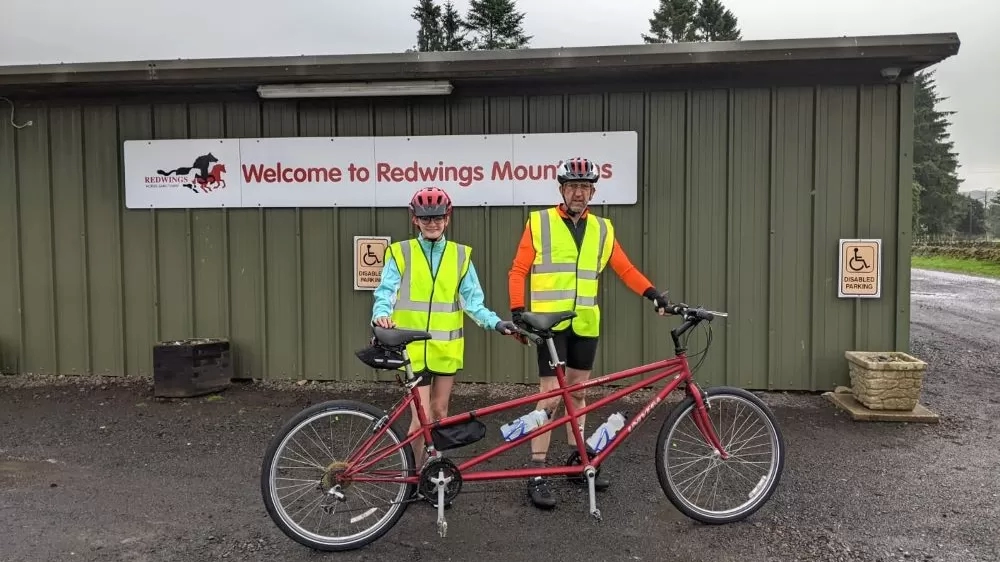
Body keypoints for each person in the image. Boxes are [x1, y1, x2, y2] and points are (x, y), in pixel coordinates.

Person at [507, 157, 670, 509]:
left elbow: (624, 269)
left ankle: (578, 462)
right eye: (572, 187)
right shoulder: (540, 222)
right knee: (550, 397)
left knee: (578, 395)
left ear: (593, 191)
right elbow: (518, 270)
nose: (578, 193)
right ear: (561, 190)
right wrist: (518, 312)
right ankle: (536, 472)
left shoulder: (603, 228)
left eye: (584, 187)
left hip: (584, 324)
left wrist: (652, 293)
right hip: (549, 326)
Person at [372, 186, 517, 469]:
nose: (432, 223)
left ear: (447, 218)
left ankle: (431, 470)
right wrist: (381, 315)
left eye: (438, 217)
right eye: (426, 218)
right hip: (413, 351)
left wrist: (496, 323)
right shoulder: (401, 253)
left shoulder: (460, 256)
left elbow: (473, 303)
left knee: (439, 413)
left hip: (446, 350)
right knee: (420, 418)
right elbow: (385, 291)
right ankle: (412, 477)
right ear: (415, 219)